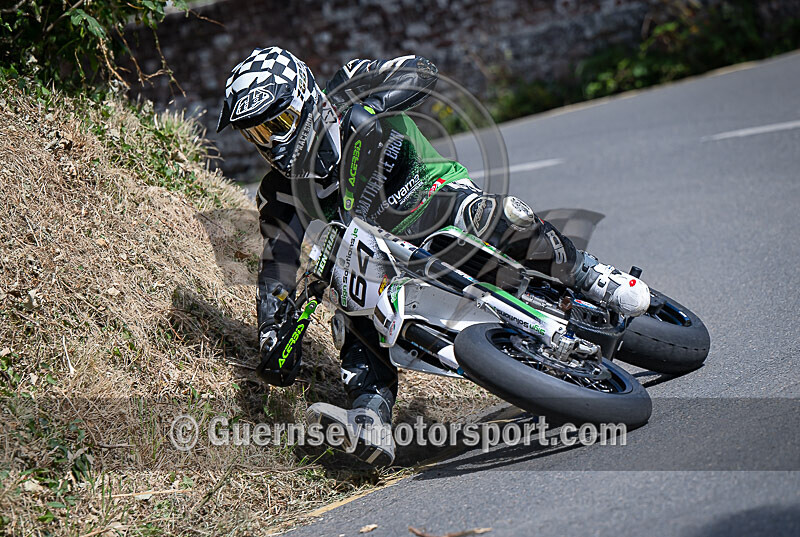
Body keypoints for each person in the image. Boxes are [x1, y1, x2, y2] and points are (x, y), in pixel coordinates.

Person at [216, 47, 650, 466]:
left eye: (279, 123)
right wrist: (273, 332)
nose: (270, 142)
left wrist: (376, 107)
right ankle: (370, 419)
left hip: (431, 198)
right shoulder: (278, 192)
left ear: (306, 98)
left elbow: (420, 70)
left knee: (490, 216)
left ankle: (591, 276)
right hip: (382, 259)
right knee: (349, 307)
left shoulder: (348, 86)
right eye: (256, 133)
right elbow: (277, 263)